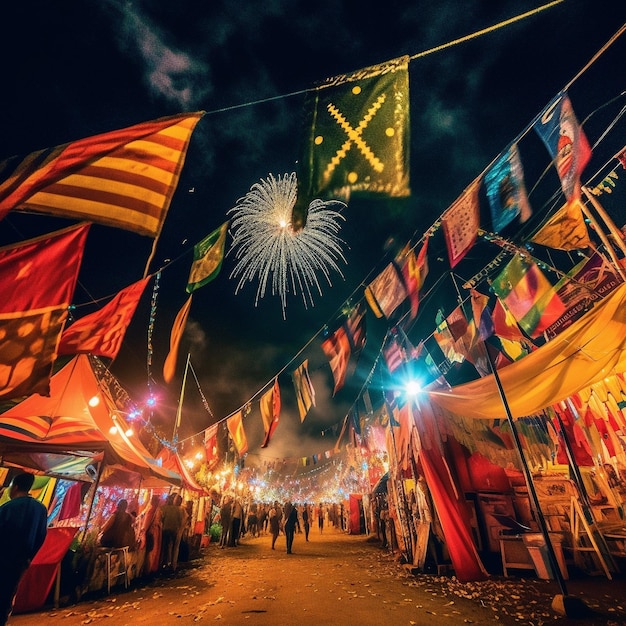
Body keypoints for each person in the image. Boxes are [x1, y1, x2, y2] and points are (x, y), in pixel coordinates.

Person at [0, 472, 48, 625]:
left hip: (2, 558)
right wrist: (29, 557)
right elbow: (41, 536)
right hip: (21, 561)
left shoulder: (7, 507)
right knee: (7, 595)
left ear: (15, 487)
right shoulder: (40, 509)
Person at [160, 493, 184, 570]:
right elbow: (181, 521)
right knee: (173, 547)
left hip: (166, 529)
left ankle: (166, 563)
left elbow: (162, 519)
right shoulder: (179, 510)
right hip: (175, 530)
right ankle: (172, 565)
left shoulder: (165, 508)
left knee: (167, 547)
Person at [140, 494, 162, 576]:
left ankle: (147, 572)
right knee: (153, 552)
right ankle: (151, 570)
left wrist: (142, 533)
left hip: (151, 533)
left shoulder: (151, 510)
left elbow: (145, 525)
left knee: (149, 552)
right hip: (156, 532)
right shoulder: (158, 510)